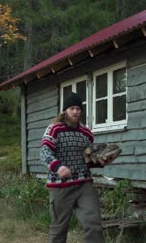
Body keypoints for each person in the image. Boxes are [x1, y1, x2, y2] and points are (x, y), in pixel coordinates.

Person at [39, 92, 116, 243]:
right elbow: (44, 151)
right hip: (60, 186)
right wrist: (58, 167)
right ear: (65, 111)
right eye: (72, 108)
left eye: (78, 109)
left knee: (94, 224)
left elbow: (88, 159)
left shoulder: (86, 133)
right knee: (59, 228)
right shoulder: (54, 129)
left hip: (84, 184)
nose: (75, 111)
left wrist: (101, 161)